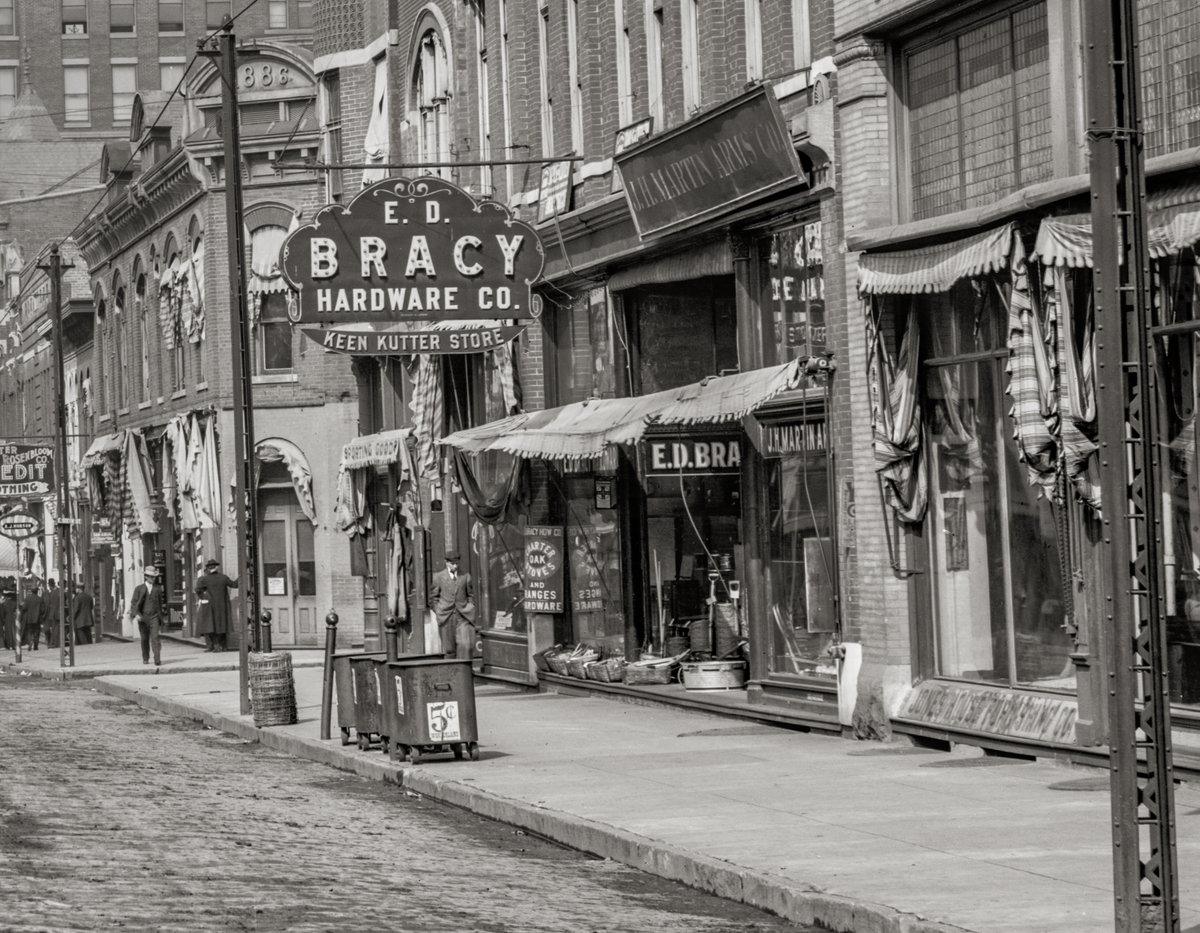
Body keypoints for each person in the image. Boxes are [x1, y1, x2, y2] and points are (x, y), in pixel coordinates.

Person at [428, 551, 475, 659]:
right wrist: (438, 610)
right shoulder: (438, 577)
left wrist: (469, 607)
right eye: (453, 564)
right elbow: (433, 598)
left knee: (465, 646)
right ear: (446, 562)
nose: (456, 566)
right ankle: (451, 673)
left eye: (457, 563)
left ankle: (464, 673)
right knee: (449, 650)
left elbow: (470, 595)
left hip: (463, 616)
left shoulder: (465, 576)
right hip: (446, 617)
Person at [195, 558, 237, 652]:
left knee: (210, 626)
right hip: (223, 606)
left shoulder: (205, 579)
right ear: (216, 568)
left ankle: (213, 646)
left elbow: (197, 589)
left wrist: (204, 597)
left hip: (211, 606)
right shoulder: (223, 577)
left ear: (209, 569)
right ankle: (224, 646)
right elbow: (234, 584)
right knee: (223, 626)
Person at [130, 566, 165, 666]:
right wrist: (136, 614)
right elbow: (134, 603)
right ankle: (145, 658)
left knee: (155, 637)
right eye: (151, 577)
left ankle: (157, 659)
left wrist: (160, 617)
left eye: (154, 577)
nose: (153, 579)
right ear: (146, 577)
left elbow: (159, 603)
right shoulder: (139, 589)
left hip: (154, 616)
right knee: (145, 638)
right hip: (143, 617)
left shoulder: (157, 589)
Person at [20, 582, 46, 651]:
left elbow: (24, 608)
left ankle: (30, 642)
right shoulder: (40, 599)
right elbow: (43, 610)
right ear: (37, 591)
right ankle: (35, 646)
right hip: (37, 619)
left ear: (31, 591)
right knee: (36, 632)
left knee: (29, 631)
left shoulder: (27, 599)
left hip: (29, 618)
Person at [43, 578, 62, 649]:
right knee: (48, 630)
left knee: (55, 629)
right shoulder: (45, 593)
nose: (50, 586)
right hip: (49, 614)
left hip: (54, 614)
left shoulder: (57, 592)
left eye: (50, 585)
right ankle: (51, 642)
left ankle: (54, 643)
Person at [0, 585, 17, 650]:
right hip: (13, 617)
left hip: (7, 618)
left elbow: (2, 613)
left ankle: (9, 645)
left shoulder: (4, 603)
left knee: (8, 631)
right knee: (13, 631)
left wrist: (3, 619)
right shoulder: (14, 603)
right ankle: (13, 645)